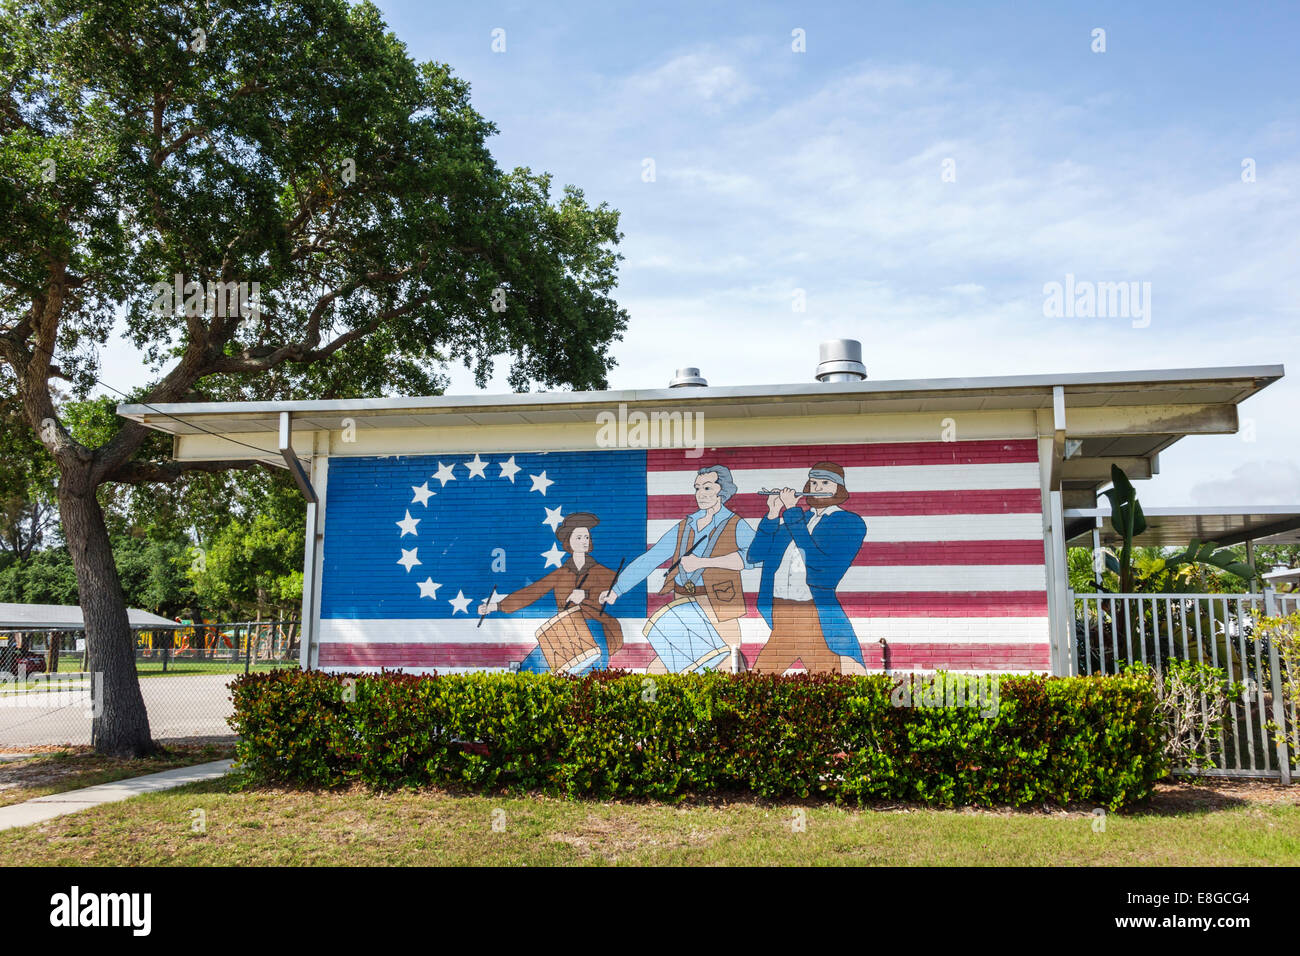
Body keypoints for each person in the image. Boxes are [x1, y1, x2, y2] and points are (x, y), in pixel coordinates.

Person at [599, 464, 755, 672]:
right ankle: (655, 704)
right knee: (661, 671)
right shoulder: (686, 524)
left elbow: (756, 557)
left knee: (727, 667)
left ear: (722, 490)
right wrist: (617, 590)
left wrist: (705, 563)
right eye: (697, 488)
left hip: (719, 606)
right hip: (683, 606)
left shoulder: (736, 524)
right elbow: (651, 557)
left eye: (707, 488)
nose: (700, 494)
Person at [748, 461, 867, 675]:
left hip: (812, 614)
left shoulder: (847, 522)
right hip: (781, 612)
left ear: (838, 489)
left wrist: (793, 512)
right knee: (760, 678)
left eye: (825, 483)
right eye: (813, 482)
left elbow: (822, 568)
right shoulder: (797, 521)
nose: (817, 487)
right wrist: (773, 514)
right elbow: (755, 554)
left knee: (827, 680)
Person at [478, 512, 623, 675]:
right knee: (527, 671)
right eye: (579, 537)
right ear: (569, 541)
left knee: (593, 675)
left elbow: (615, 589)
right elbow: (531, 592)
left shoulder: (601, 572)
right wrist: (496, 606)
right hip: (565, 629)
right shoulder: (561, 574)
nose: (584, 541)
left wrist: (587, 595)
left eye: (586, 537)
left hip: (593, 626)